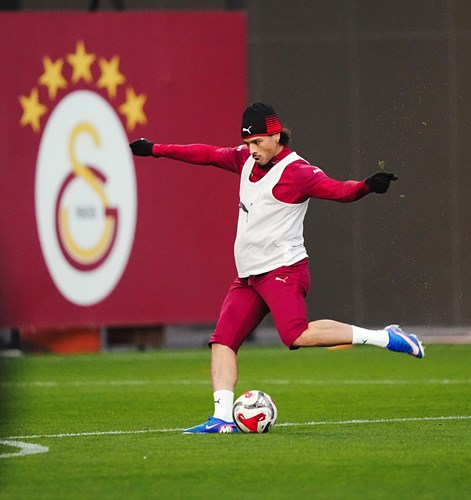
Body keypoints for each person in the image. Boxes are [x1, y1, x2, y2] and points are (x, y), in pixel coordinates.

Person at [130, 102, 424, 434]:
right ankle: (222, 419)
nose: (251, 149)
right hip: (248, 276)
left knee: (296, 335)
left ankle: (386, 337)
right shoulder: (244, 160)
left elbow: (338, 190)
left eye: (257, 142)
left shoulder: (297, 172)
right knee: (222, 341)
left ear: (276, 136)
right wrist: (155, 149)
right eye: (247, 143)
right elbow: (206, 154)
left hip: (283, 270)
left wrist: (366, 186)